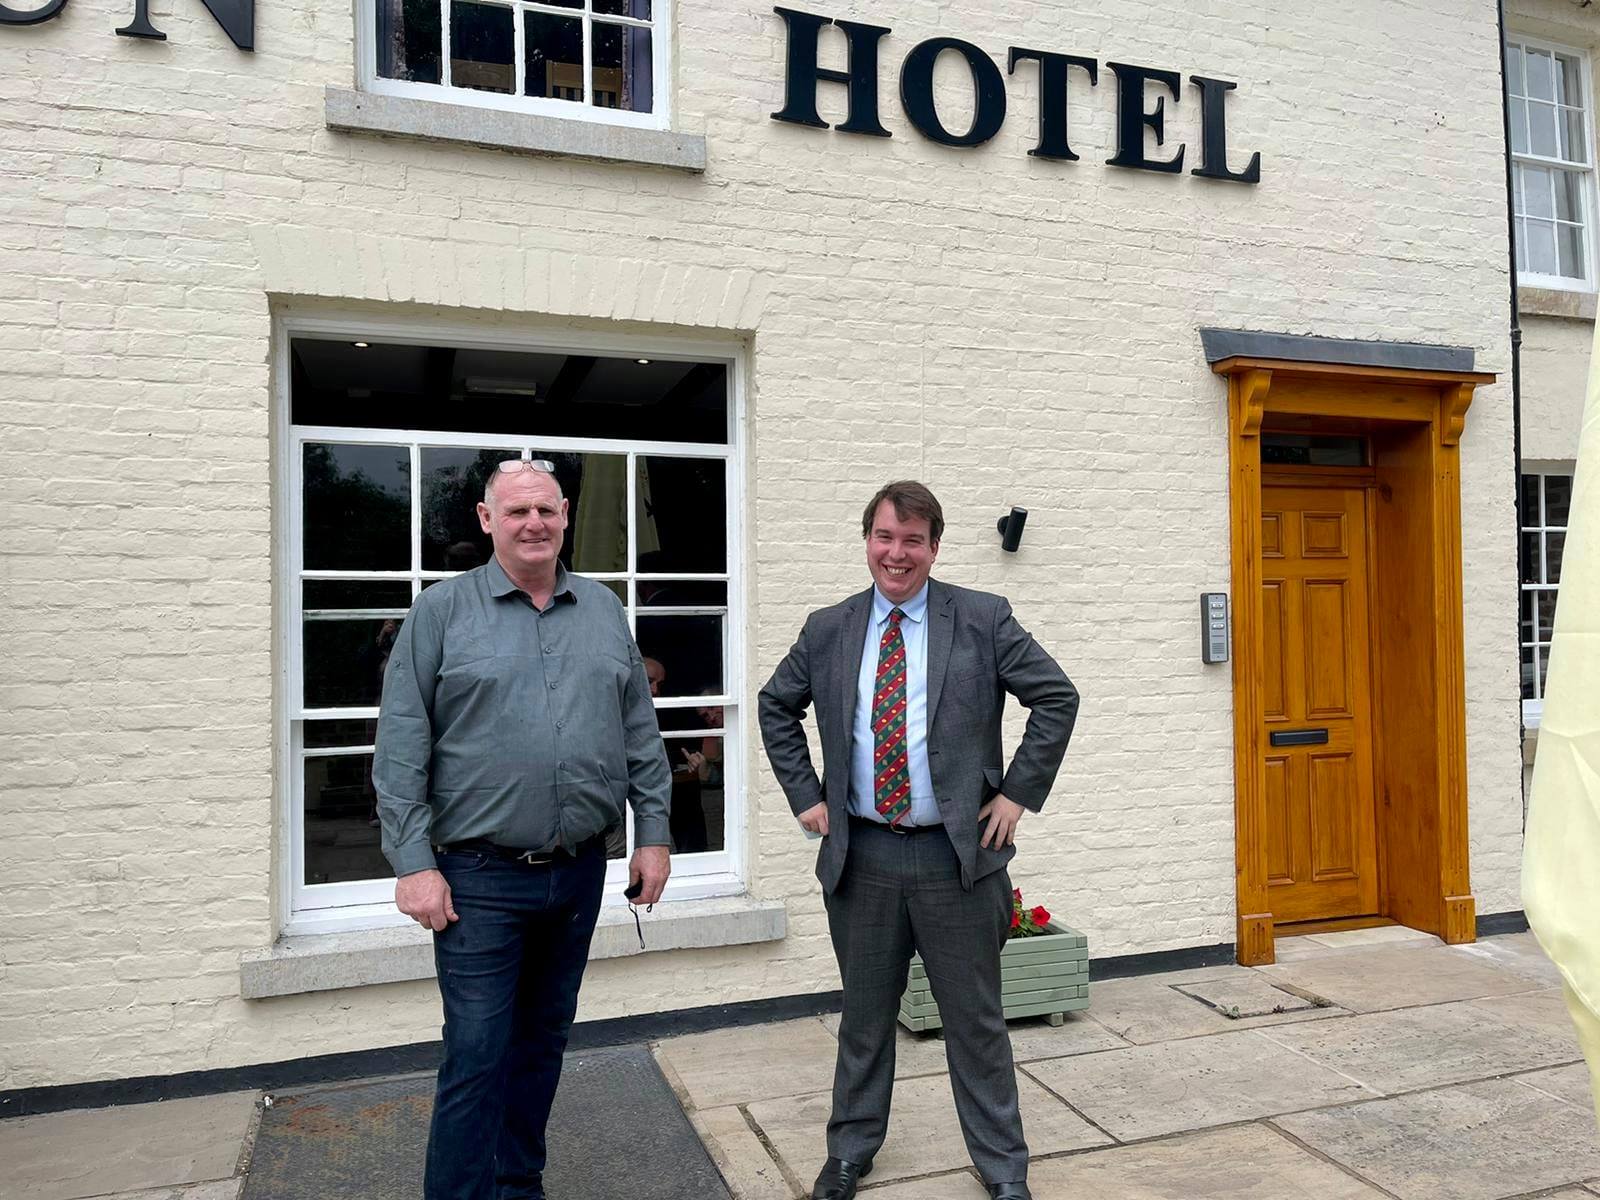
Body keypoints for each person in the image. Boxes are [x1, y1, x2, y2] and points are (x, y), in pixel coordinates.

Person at [758, 480, 1079, 1200]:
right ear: (866, 542)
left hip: (955, 861)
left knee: (976, 1025)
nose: (895, 553)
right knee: (865, 1021)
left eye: (911, 540)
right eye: (883, 537)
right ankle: (849, 1154)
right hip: (863, 857)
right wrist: (807, 796)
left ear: (934, 547)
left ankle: (1003, 1172)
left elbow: (1056, 697)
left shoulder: (983, 618)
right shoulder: (828, 628)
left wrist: (1018, 793)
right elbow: (775, 705)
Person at [374, 457, 672, 1200]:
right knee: (476, 1054)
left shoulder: (604, 611)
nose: (533, 524)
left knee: (541, 1046)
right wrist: (413, 862)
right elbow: (401, 743)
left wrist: (655, 832)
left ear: (565, 514)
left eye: (545, 510)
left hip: (576, 874)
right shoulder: (440, 614)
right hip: (477, 878)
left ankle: (517, 1188)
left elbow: (639, 729)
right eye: (516, 513)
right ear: (486, 521)